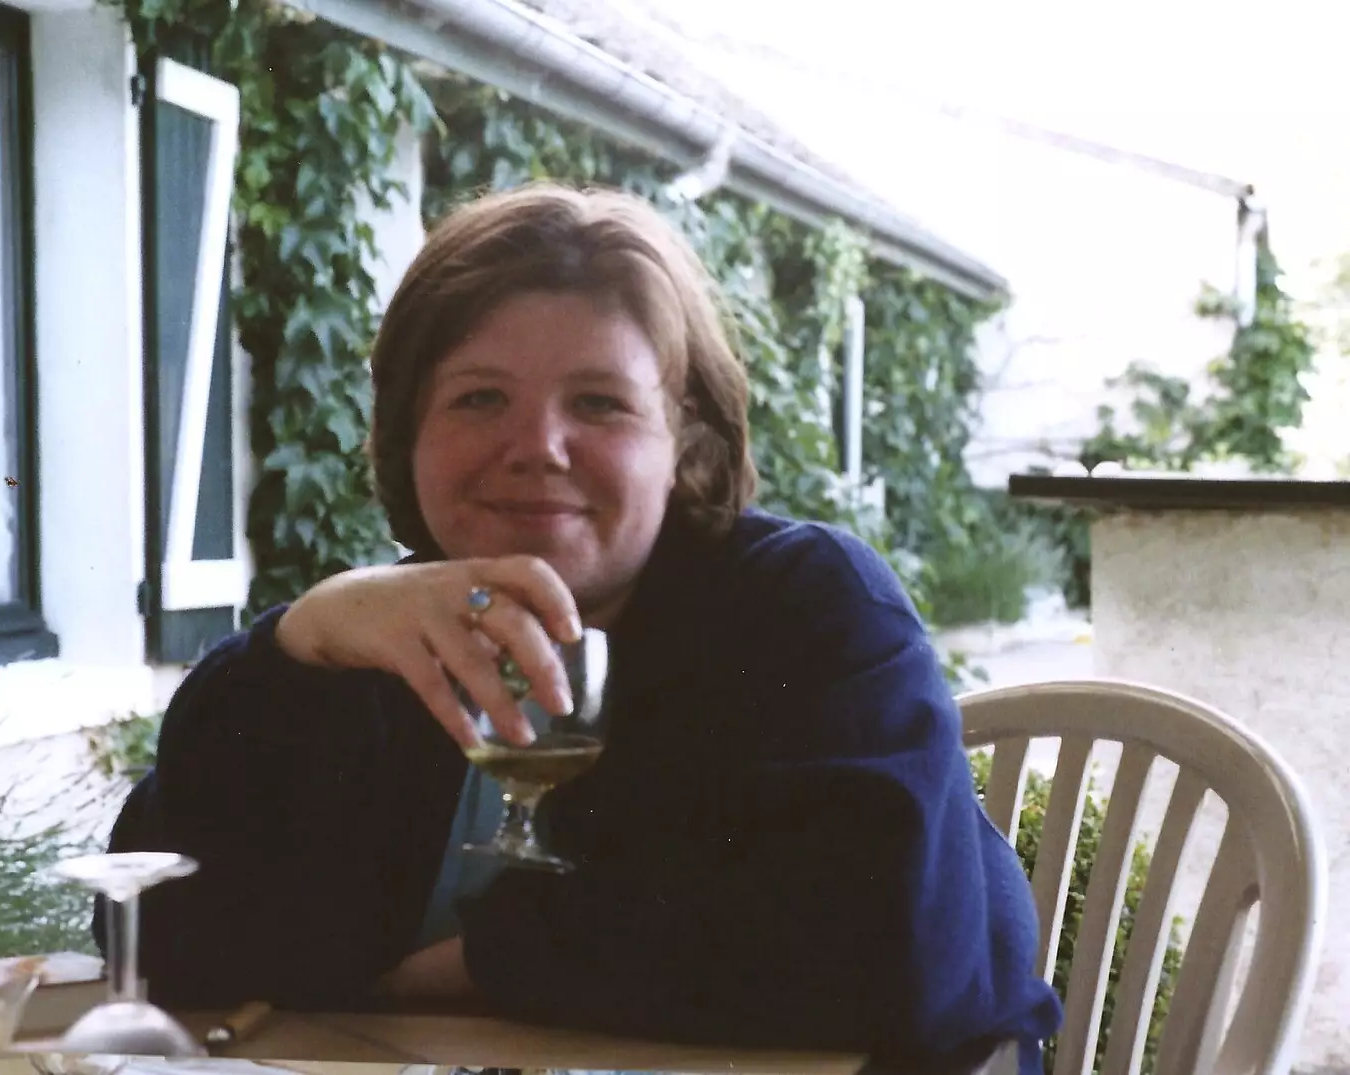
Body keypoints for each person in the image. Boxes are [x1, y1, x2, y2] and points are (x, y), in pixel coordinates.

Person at [98, 182, 1063, 1072]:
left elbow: (872, 948)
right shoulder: (374, 639)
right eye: (480, 398)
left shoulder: (810, 607)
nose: (536, 449)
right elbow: (162, 936)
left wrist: (462, 965)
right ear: (407, 431)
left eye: (597, 403)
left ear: (684, 441)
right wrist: (293, 647)